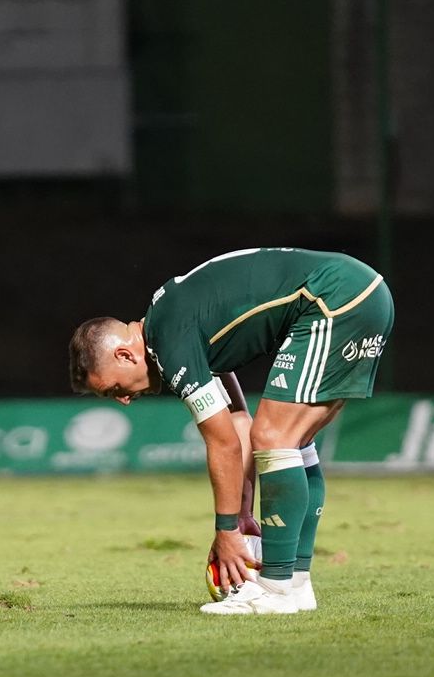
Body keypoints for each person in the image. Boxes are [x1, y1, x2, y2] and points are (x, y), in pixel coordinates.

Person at [69, 248, 393, 615]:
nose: (124, 400)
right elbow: (238, 420)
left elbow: (222, 442)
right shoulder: (173, 320)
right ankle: (295, 584)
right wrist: (240, 515)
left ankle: (275, 589)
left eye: (114, 389)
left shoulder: (170, 340)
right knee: (294, 442)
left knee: (274, 437)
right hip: (359, 290)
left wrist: (226, 533)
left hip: (334, 297)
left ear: (125, 355)